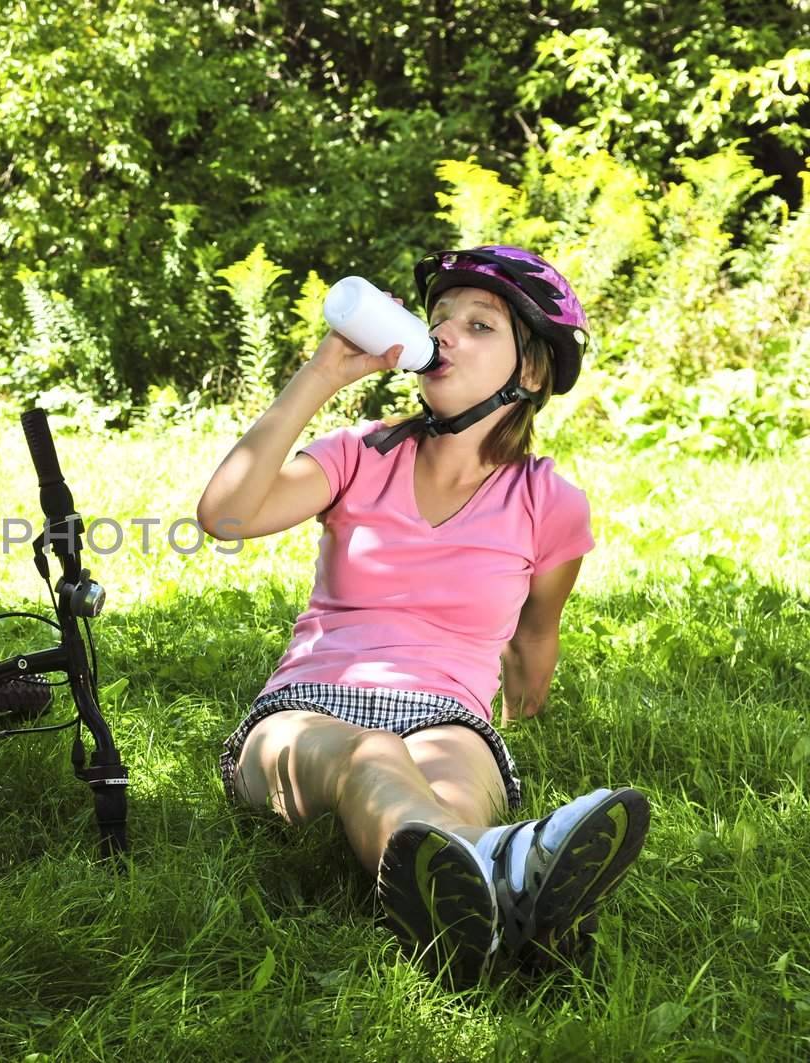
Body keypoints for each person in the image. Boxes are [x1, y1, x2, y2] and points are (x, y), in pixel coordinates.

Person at [196, 246, 649, 986]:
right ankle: (513, 883)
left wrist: (522, 699)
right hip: (305, 713)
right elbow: (226, 513)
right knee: (372, 755)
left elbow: (536, 640)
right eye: (439, 319)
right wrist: (324, 374)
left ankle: (478, 899)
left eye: (479, 325)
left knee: (454, 795)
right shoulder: (357, 454)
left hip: (448, 717)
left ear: (530, 371)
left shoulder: (549, 502)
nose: (447, 335)